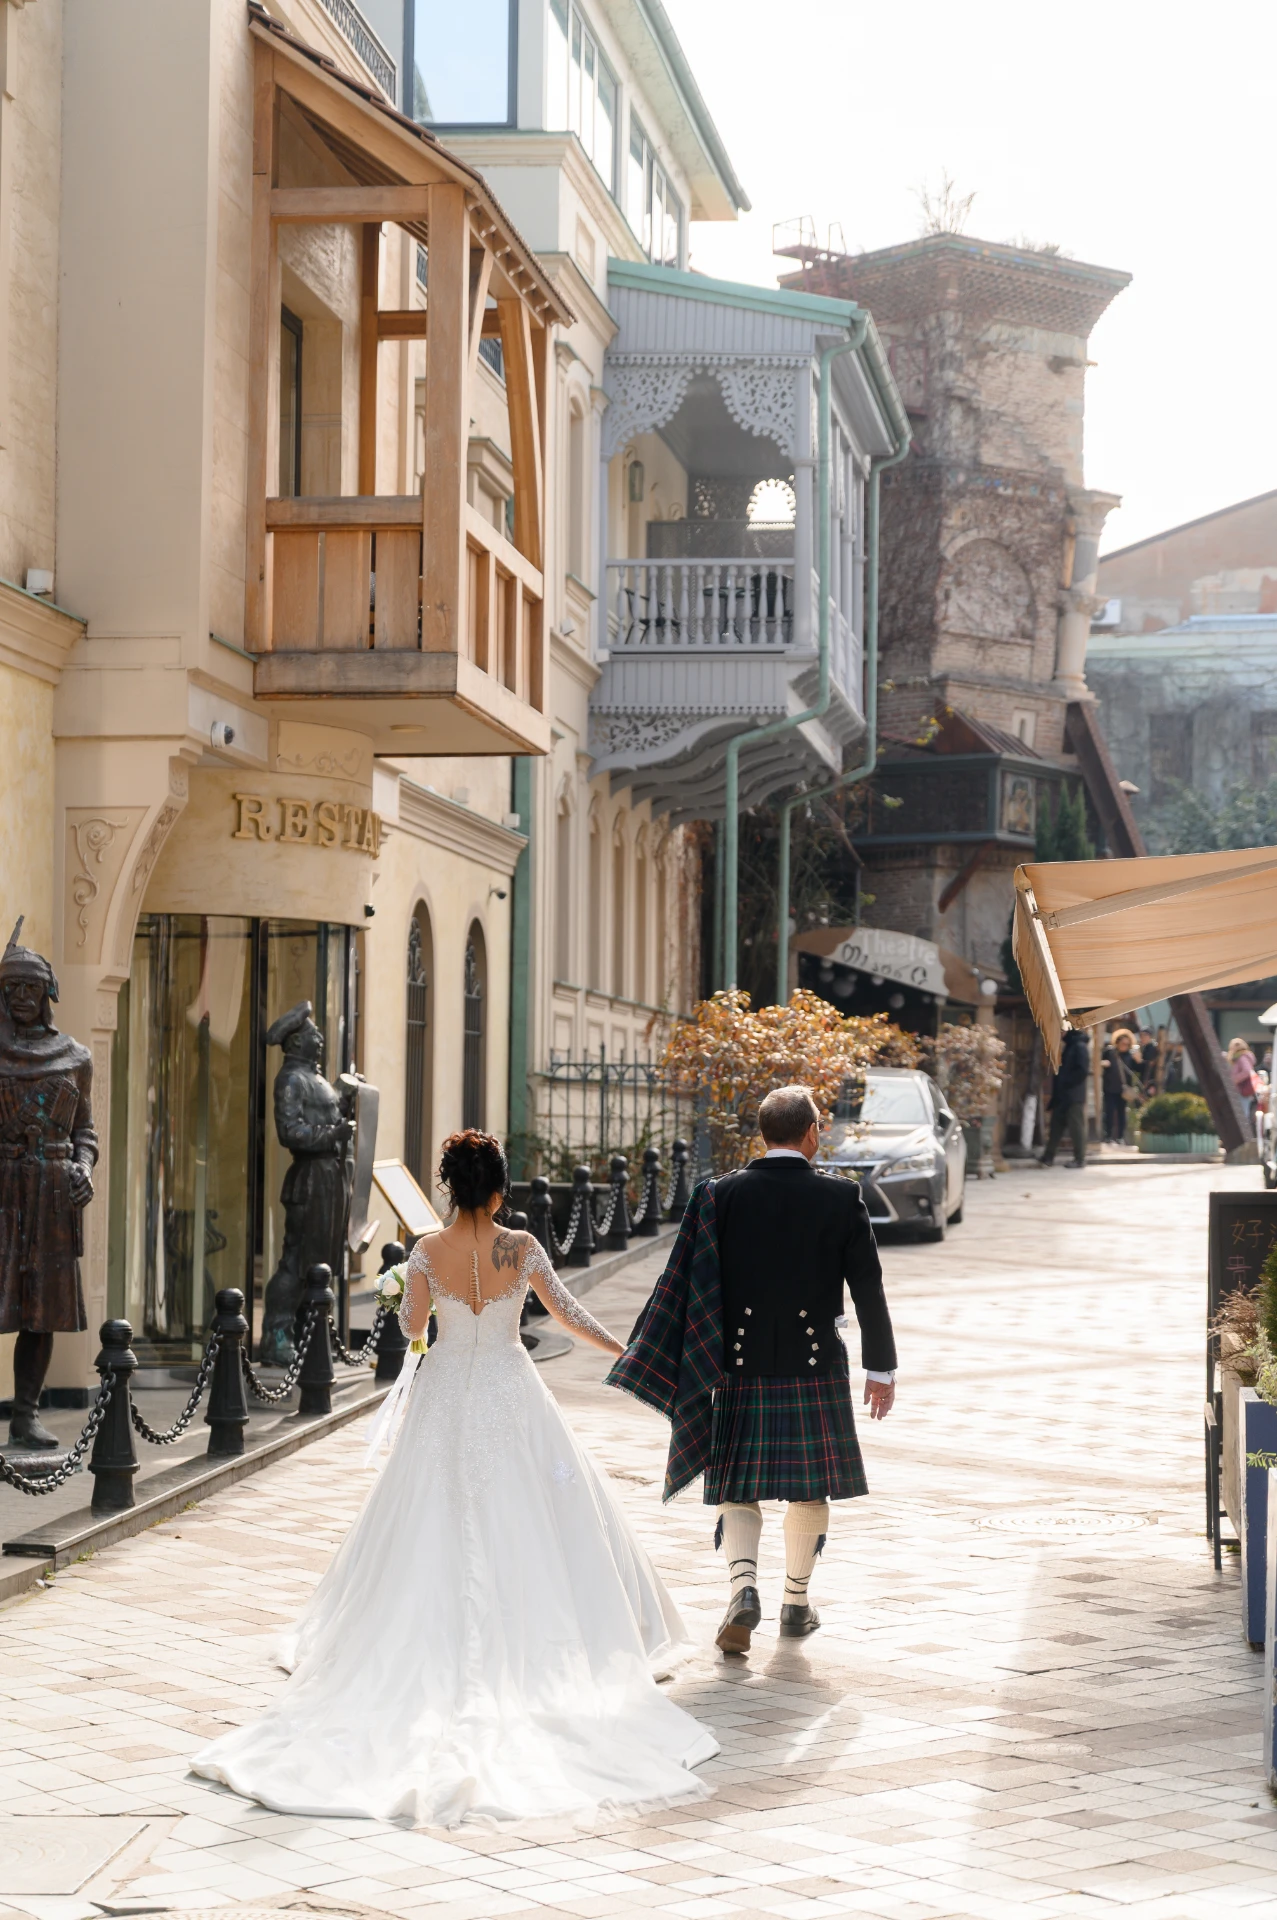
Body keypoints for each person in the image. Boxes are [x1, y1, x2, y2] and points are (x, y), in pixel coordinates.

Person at [192, 1129, 718, 1827]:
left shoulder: (424, 1252)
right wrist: (627, 1348)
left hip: (446, 1391)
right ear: (499, 1188)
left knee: (427, 1514)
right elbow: (566, 1311)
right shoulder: (522, 1247)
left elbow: (414, 1330)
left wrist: (403, 1298)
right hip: (510, 1388)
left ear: (448, 1187)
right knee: (538, 1512)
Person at [609, 1084, 896, 1659]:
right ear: (812, 1132)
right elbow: (867, 1286)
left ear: (761, 1134)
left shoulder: (719, 1195)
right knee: (809, 1488)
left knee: (738, 1486)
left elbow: (685, 1282)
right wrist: (880, 1368)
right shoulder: (841, 1199)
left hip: (735, 1364)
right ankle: (794, 1603)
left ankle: (743, 1590)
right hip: (812, 1364)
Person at [1041, 1028, 1090, 1168]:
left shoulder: (1079, 1046)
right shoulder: (1070, 1046)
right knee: (1056, 1127)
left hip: (1073, 1095)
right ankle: (1048, 1157)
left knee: (1076, 1127)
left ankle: (1079, 1159)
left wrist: (1067, 1082)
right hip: (1063, 1094)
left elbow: (1082, 1071)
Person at [1100, 1028, 1139, 1144]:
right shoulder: (1109, 1052)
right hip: (1109, 1087)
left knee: (1122, 1113)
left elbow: (1139, 1069)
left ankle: (1120, 1137)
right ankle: (1108, 1136)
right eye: (1122, 1043)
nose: (1124, 1046)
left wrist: (1139, 1061)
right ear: (1117, 1042)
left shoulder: (1130, 1055)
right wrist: (1103, 1064)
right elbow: (1098, 1062)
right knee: (1109, 1112)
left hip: (1123, 1089)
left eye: (1127, 1044)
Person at [1229, 1036, 1262, 1122]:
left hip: (1241, 1089)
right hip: (1243, 1089)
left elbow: (1247, 1071)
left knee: (1242, 1113)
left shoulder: (1242, 1057)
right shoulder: (1242, 1056)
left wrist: (1235, 1079)